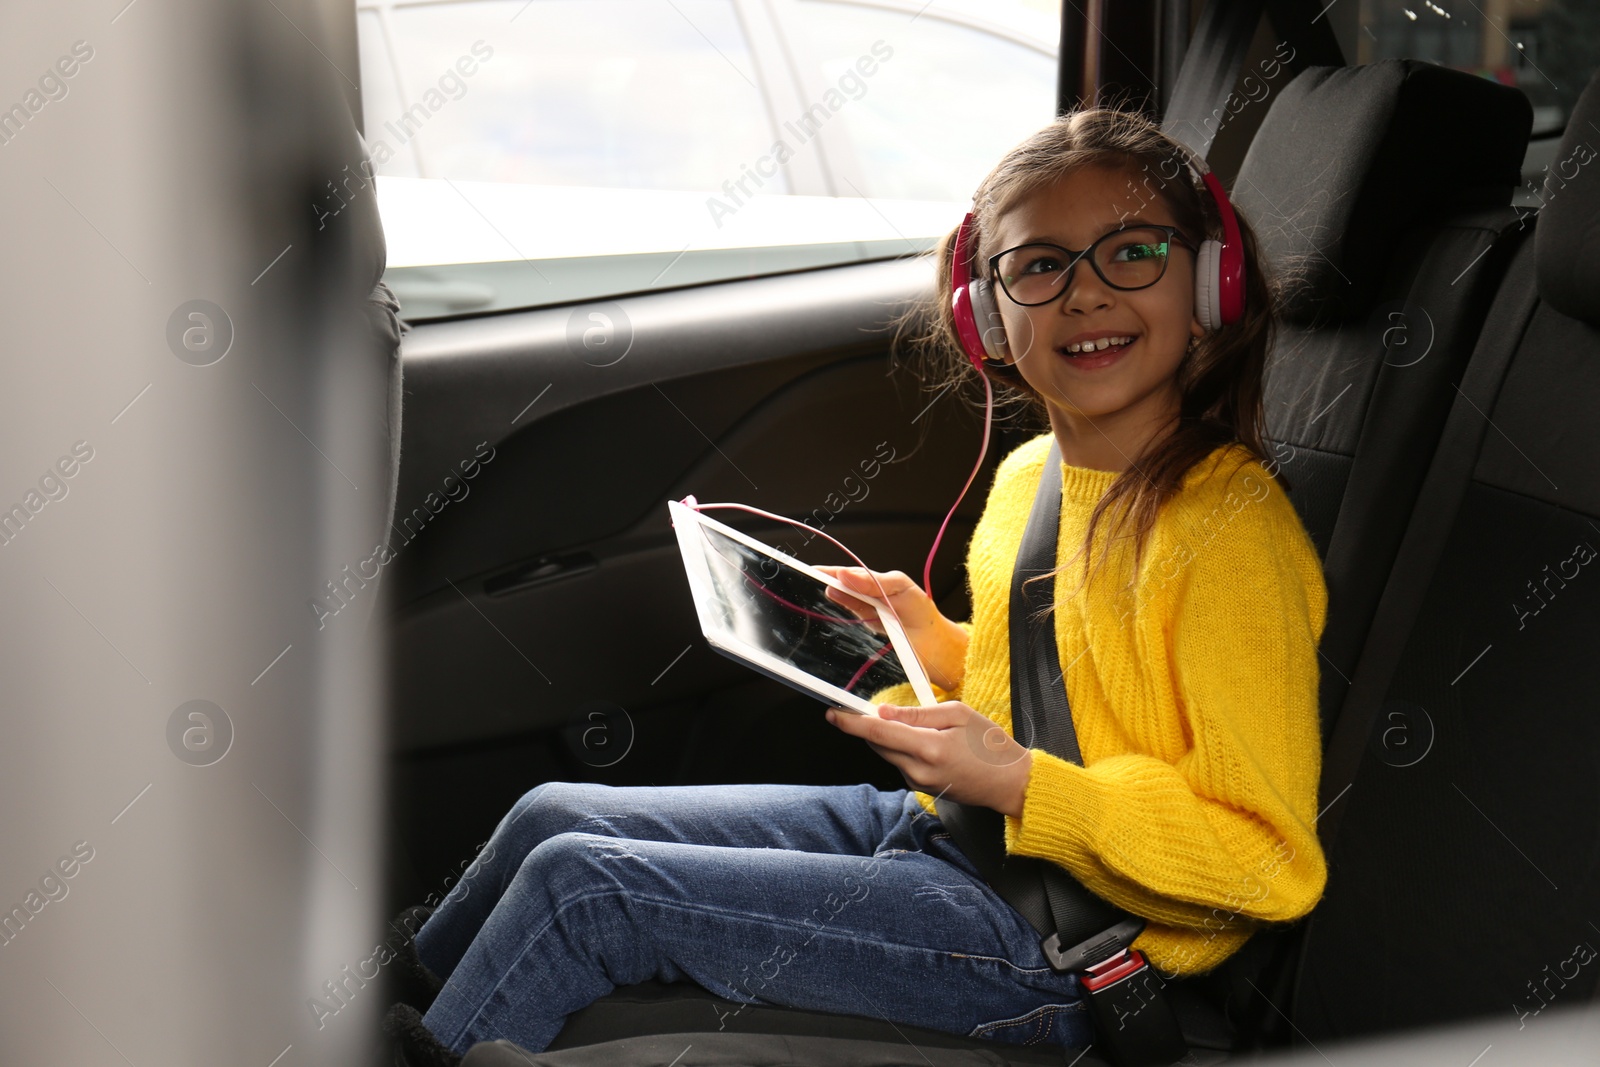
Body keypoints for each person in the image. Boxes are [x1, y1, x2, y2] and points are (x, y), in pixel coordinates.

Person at [388, 105, 1330, 1064]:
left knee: (586, 888)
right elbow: (1090, 694)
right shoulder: (1029, 480)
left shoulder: (1226, 533)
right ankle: (392, 1015)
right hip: (964, 836)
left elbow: (1263, 859)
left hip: (1075, 946)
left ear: (1211, 281)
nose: (1085, 294)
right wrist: (942, 650)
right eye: (1040, 265)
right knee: (552, 812)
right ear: (987, 314)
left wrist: (1017, 779)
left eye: (1132, 252)